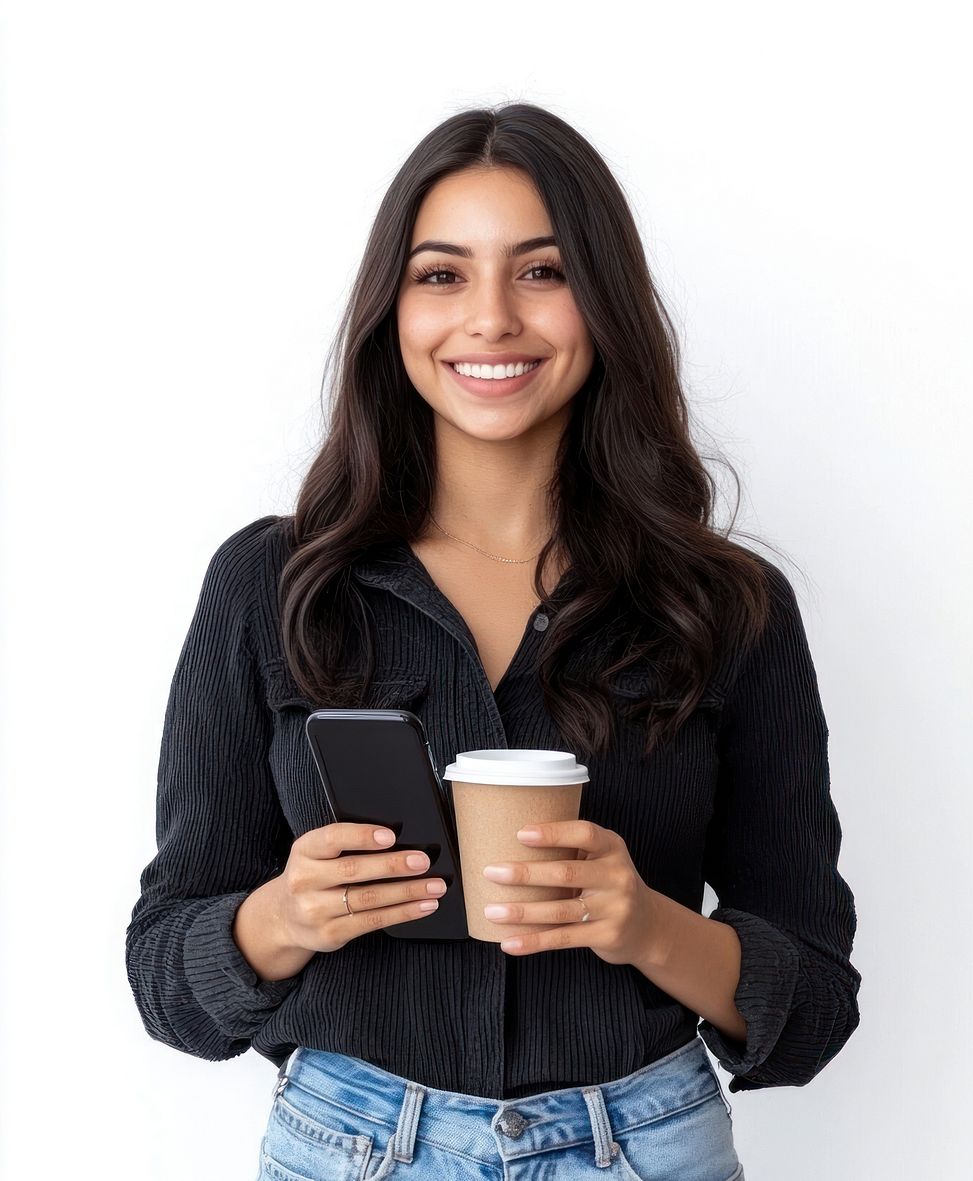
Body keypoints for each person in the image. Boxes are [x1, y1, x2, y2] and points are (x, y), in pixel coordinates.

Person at [126, 102, 861, 1180]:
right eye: (441, 274)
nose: (489, 319)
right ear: (393, 310)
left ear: (602, 302)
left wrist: (644, 923)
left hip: (646, 1145)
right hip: (346, 1143)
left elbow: (815, 1007)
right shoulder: (271, 584)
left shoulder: (728, 602)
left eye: (540, 271)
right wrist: (284, 915)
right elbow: (165, 980)